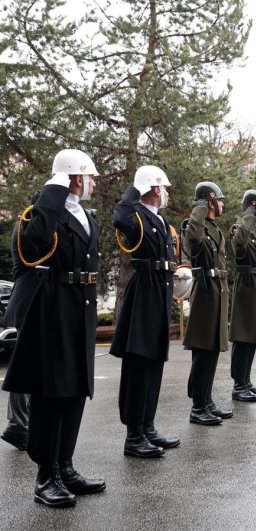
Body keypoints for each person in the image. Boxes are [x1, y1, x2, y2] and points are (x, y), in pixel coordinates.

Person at [2, 149, 106, 508]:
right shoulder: (43, 213)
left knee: (76, 389)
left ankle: (65, 465)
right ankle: (46, 476)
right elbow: (35, 240)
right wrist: (53, 188)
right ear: (74, 178)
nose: (92, 183)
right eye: (88, 177)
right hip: (54, 308)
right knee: (52, 392)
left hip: (81, 307)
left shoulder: (84, 214)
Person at [110, 166, 180, 458]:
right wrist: (134, 190)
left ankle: (148, 427)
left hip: (159, 291)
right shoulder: (137, 216)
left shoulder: (159, 219)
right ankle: (134, 435)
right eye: (163, 188)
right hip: (144, 293)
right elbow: (119, 217)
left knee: (154, 363)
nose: (166, 194)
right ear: (153, 189)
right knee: (139, 364)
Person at [182, 181, 231, 425]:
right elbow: (193, 240)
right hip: (204, 293)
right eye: (219, 200)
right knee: (202, 351)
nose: (222, 204)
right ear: (210, 203)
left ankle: (207, 400)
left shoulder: (213, 228)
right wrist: (199, 208)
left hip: (216, 292)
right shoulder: (195, 226)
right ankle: (198, 407)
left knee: (212, 349)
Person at [1, 191, 43, 451]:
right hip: (29, 302)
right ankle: (18, 425)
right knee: (26, 365)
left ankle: (21, 424)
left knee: (31, 364)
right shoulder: (29, 223)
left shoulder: (28, 222)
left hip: (29, 301)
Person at [229, 190, 256, 400]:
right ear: (253, 208)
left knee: (252, 336)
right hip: (246, 287)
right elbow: (238, 247)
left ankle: (246, 381)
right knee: (242, 336)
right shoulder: (240, 229)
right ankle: (238, 385)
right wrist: (248, 216)